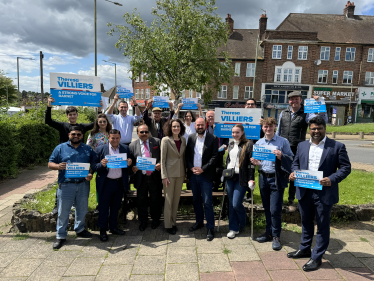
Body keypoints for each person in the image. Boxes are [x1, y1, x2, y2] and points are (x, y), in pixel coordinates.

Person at [288, 116, 351, 271]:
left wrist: (332, 178)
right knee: (306, 222)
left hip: (324, 192)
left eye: (319, 128)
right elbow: (296, 162)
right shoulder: (302, 145)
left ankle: (317, 257)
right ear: (309, 129)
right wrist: (294, 172)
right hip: (304, 189)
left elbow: (345, 167)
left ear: (325, 128)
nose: (316, 131)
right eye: (313, 128)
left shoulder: (336, 146)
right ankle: (304, 248)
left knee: (322, 225)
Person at [45, 95, 102, 215]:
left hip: (80, 156)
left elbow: (95, 123)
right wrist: (49, 106)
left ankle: (76, 204)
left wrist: (100, 109)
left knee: (79, 180)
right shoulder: (62, 126)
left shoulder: (82, 126)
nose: (72, 116)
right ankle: (57, 205)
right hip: (65, 157)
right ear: (67, 116)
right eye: (70, 114)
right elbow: (48, 121)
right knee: (62, 180)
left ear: (77, 115)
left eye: (74, 114)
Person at [276, 91, 328, 212]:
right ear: (288, 101)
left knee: (295, 174)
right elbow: (278, 131)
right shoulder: (283, 113)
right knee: (280, 172)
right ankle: (278, 198)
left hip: (297, 147)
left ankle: (291, 199)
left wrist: (320, 103)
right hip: (283, 148)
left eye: (296, 99)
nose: (293, 101)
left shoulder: (307, 113)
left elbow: (320, 119)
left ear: (301, 100)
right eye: (291, 99)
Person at [48, 126, 96, 250]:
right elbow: (50, 163)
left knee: (82, 209)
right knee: (63, 211)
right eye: (74, 134)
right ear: (69, 134)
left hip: (83, 184)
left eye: (79, 134)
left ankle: (80, 229)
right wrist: (58, 166)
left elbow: (94, 164)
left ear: (82, 136)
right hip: (66, 185)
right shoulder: (60, 148)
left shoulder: (87, 149)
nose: (76, 136)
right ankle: (61, 235)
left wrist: (91, 173)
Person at [250, 117, 293, 251]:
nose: (268, 129)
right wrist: (256, 163)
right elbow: (259, 161)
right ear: (262, 128)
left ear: (275, 126)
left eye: (270, 126)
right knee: (267, 208)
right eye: (265, 127)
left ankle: (276, 236)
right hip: (263, 177)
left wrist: (281, 156)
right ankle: (268, 233)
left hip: (276, 178)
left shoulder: (283, 142)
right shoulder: (259, 143)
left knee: (275, 209)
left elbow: (292, 159)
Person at [93, 129, 132, 242]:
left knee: (116, 207)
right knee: (104, 208)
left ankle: (113, 227)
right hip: (106, 183)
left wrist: (129, 164)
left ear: (120, 138)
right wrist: (101, 164)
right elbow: (94, 165)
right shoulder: (100, 149)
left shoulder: (125, 148)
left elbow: (128, 166)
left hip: (119, 183)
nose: (115, 140)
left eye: (117, 138)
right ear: (108, 138)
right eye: (112, 138)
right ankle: (102, 230)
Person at [186, 118, 218, 241]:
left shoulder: (212, 138)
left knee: (207, 202)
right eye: (198, 124)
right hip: (193, 175)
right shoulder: (191, 137)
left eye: (201, 124)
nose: (200, 126)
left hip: (206, 175)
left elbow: (214, 156)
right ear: (195, 126)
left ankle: (210, 227)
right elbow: (188, 156)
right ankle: (199, 222)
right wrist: (191, 168)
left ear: (205, 125)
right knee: (196, 200)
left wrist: (203, 169)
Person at [130, 124, 163, 231]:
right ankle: (143, 221)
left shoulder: (157, 142)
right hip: (141, 177)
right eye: (142, 132)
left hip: (154, 176)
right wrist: (133, 167)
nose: (144, 134)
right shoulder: (132, 145)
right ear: (137, 133)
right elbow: (130, 161)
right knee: (141, 200)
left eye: (146, 132)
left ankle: (155, 220)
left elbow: (163, 156)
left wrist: (160, 164)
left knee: (155, 199)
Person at [225, 124, 255, 239]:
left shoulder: (248, 144)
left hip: (241, 178)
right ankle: (233, 228)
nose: (234, 135)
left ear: (242, 132)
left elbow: (251, 164)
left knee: (236, 203)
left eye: (237, 132)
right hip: (230, 177)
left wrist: (251, 178)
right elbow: (229, 160)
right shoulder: (231, 143)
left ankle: (243, 222)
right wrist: (225, 172)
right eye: (233, 132)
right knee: (231, 204)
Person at [160, 119, 186, 235]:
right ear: (170, 128)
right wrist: (164, 176)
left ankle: (173, 222)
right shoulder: (165, 140)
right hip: (169, 175)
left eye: (178, 126)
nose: (176, 128)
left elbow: (183, 157)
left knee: (176, 200)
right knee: (169, 200)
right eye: (174, 126)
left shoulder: (183, 139)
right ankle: (168, 225)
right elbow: (163, 160)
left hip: (180, 174)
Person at [244, 98, 264, 203]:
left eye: (252, 104)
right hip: (242, 148)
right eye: (248, 104)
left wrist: (262, 126)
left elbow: (265, 136)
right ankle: (243, 192)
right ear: (245, 106)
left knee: (251, 171)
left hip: (255, 148)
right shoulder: (241, 117)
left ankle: (250, 194)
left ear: (255, 106)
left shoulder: (261, 119)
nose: (250, 106)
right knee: (242, 170)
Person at [206, 110, 228, 191]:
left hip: (219, 154)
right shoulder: (204, 127)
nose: (210, 118)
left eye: (212, 116)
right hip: (207, 155)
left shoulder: (220, 126)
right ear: (206, 118)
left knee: (218, 172)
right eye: (209, 116)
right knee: (208, 172)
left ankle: (215, 189)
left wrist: (226, 145)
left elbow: (226, 139)